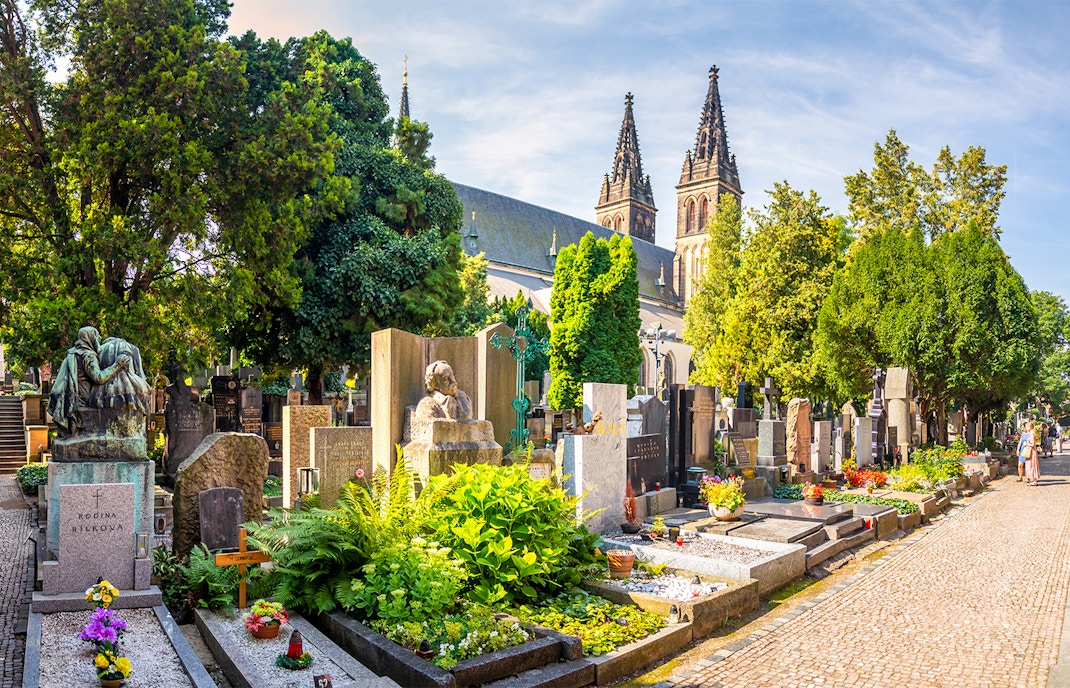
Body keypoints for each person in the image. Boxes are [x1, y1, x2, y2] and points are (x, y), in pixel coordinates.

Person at [1018, 421, 1040, 486]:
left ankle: (1034, 480)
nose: (1026, 428)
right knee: (1031, 465)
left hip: (1031, 452)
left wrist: (1026, 444)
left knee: (1031, 465)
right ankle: (1033, 480)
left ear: (1030, 427)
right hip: (1032, 452)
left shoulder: (1031, 433)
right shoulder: (1032, 433)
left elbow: (1033, 444)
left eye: (1027, 426)